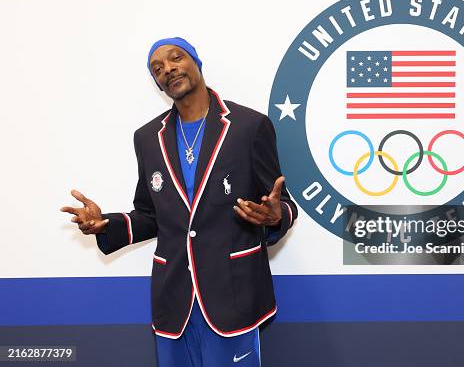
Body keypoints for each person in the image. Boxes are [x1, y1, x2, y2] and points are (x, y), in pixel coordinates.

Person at [60, 37, 298, 367]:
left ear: (196, 62)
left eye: (176, 58)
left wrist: (274, 217)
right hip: (174, 300)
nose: (168, 69)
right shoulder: (147, 138)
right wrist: (107, 224)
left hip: (233, 295)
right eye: (157, 68)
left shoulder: (249, 126)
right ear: (156, 82)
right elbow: (149, 214)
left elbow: (282, 203)